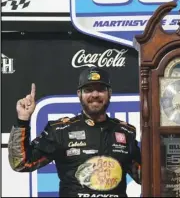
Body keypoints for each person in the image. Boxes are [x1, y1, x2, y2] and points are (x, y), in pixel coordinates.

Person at [8, 67, 141, 197]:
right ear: (79, 94)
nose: (95, 95)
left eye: (100, 90)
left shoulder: (125, 132)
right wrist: (23, 121)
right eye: (88, 90)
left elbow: (144, 176)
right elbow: (21, 163)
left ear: (109, 93)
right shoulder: (60, 130)